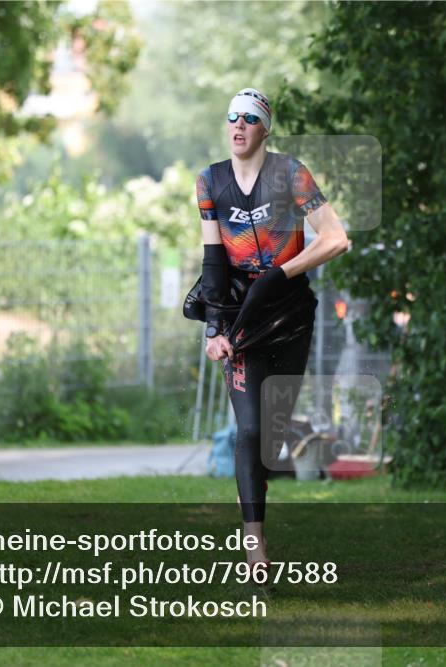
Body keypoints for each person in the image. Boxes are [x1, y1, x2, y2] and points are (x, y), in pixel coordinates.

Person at [195, 87, 348, 580]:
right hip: (241, 321)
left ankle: (255, 508)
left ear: (265, 128)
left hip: (290, 315)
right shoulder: (210, 182)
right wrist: (215, 329)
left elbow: (336, 238)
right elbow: (214, 261)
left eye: (249, 118)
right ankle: (254, 547)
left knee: (271, 440)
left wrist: (281, 274)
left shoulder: (291, 174)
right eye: (231, 117)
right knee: (251, 430)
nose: (238, 125)